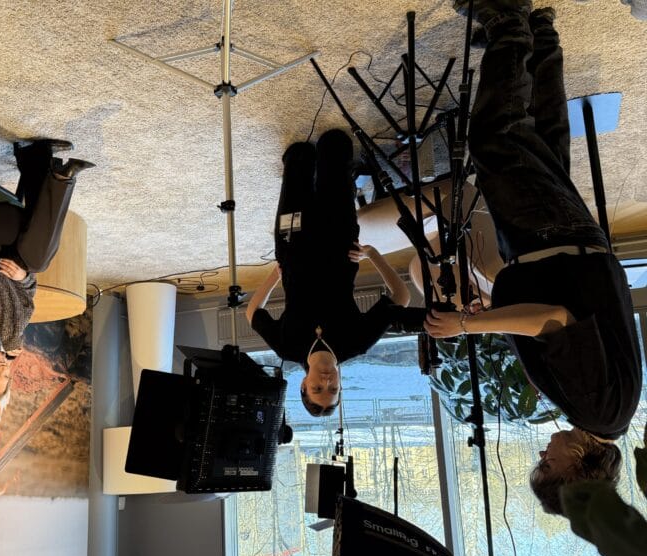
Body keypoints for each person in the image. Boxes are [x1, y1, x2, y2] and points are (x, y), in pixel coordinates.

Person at [424, 2, 641, 513]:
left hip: (556, 250)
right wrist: (465, 327)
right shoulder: (596, 409)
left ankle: (540, 35)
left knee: (545, 141)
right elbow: (555, 320)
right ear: (578, 471)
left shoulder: (607, 416)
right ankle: (510, 24)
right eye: (548, 466)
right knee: (494, 141)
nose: (543, 454)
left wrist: (495, 311)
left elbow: (559, 325)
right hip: (550, 240)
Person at [245, 129, 426, 416]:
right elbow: (401, 297)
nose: (327, 382)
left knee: (298, 156)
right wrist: (373, 254)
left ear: (303, 385)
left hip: (294, 246)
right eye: (333, 390)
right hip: (338, 242)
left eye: (317, 388)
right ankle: (335, 163)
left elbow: (252, 313)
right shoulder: (357, 343)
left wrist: (274, 276)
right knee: (335, 143)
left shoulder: (287, 348)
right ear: (341, 386)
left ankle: (304, 164)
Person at [0, 138, 94, 407]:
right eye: (6, 375)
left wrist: (13, 336)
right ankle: (37, 160)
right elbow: (26, 296)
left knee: (37, 257)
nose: (3, 367)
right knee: (34, 257)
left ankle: (58, 175)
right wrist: (22, 278)